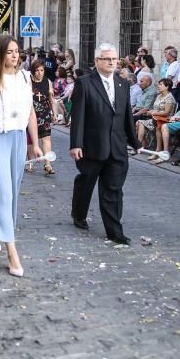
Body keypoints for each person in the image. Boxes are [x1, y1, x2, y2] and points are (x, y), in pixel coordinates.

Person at [0, 35, 41, 277]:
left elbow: (31, 112)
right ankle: (12, 251)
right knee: (3, 192)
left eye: (17, 51)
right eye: (10, 52)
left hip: (18, 139)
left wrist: (35, 143)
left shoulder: (25, 77)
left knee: (11, 193)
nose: (15, 56)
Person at [69, 42, 139, 244]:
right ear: (96, 61)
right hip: (92, 146)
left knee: (113, 189)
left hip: (117, 147)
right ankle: (79, 213)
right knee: (86, 182)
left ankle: (114, 231)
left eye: (114, 59)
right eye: (107, 59)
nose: (111, 62)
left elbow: (126, 117)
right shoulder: (84, 83)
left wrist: (134, 142)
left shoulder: (123, 84)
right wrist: (75, 144)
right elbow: (78, 115)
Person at [28, 58, 56, 175]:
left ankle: (47, 163)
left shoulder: (47, 82)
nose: (40, 73)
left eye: (42, 70)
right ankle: (29, 162)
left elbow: (51, 98)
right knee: (30, 139)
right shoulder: (28, 81)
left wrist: (54, 113)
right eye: (37, 70)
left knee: (46, 138)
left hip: (44, 113)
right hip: (31, 112)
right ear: (33, 71)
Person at [135, 77, 176, 150]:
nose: (158, 86)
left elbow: (166, 113)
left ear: (167, 87)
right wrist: (150, 112)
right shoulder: (159, 96)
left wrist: (153, 113)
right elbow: (155, 108)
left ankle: (151, 148)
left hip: (164, 120)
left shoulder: (169, 98)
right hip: (155, 118)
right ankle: (140, 145)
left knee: (142, 122)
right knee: (139, 122)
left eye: (160, 84)